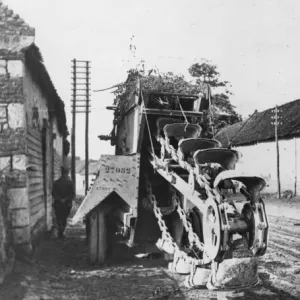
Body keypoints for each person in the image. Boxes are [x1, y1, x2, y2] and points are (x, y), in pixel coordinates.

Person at [52, 167, 75, 239]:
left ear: (61, 173)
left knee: (59, 218)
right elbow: (72, 194)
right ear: (67, 173)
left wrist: (60, 199)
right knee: (64, 218)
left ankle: (60, 232)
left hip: (58, 203)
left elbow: (53, 193)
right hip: (67, 204)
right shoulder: (70, 183)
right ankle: (61, 233)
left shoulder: (56, 182)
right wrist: (65, 199)